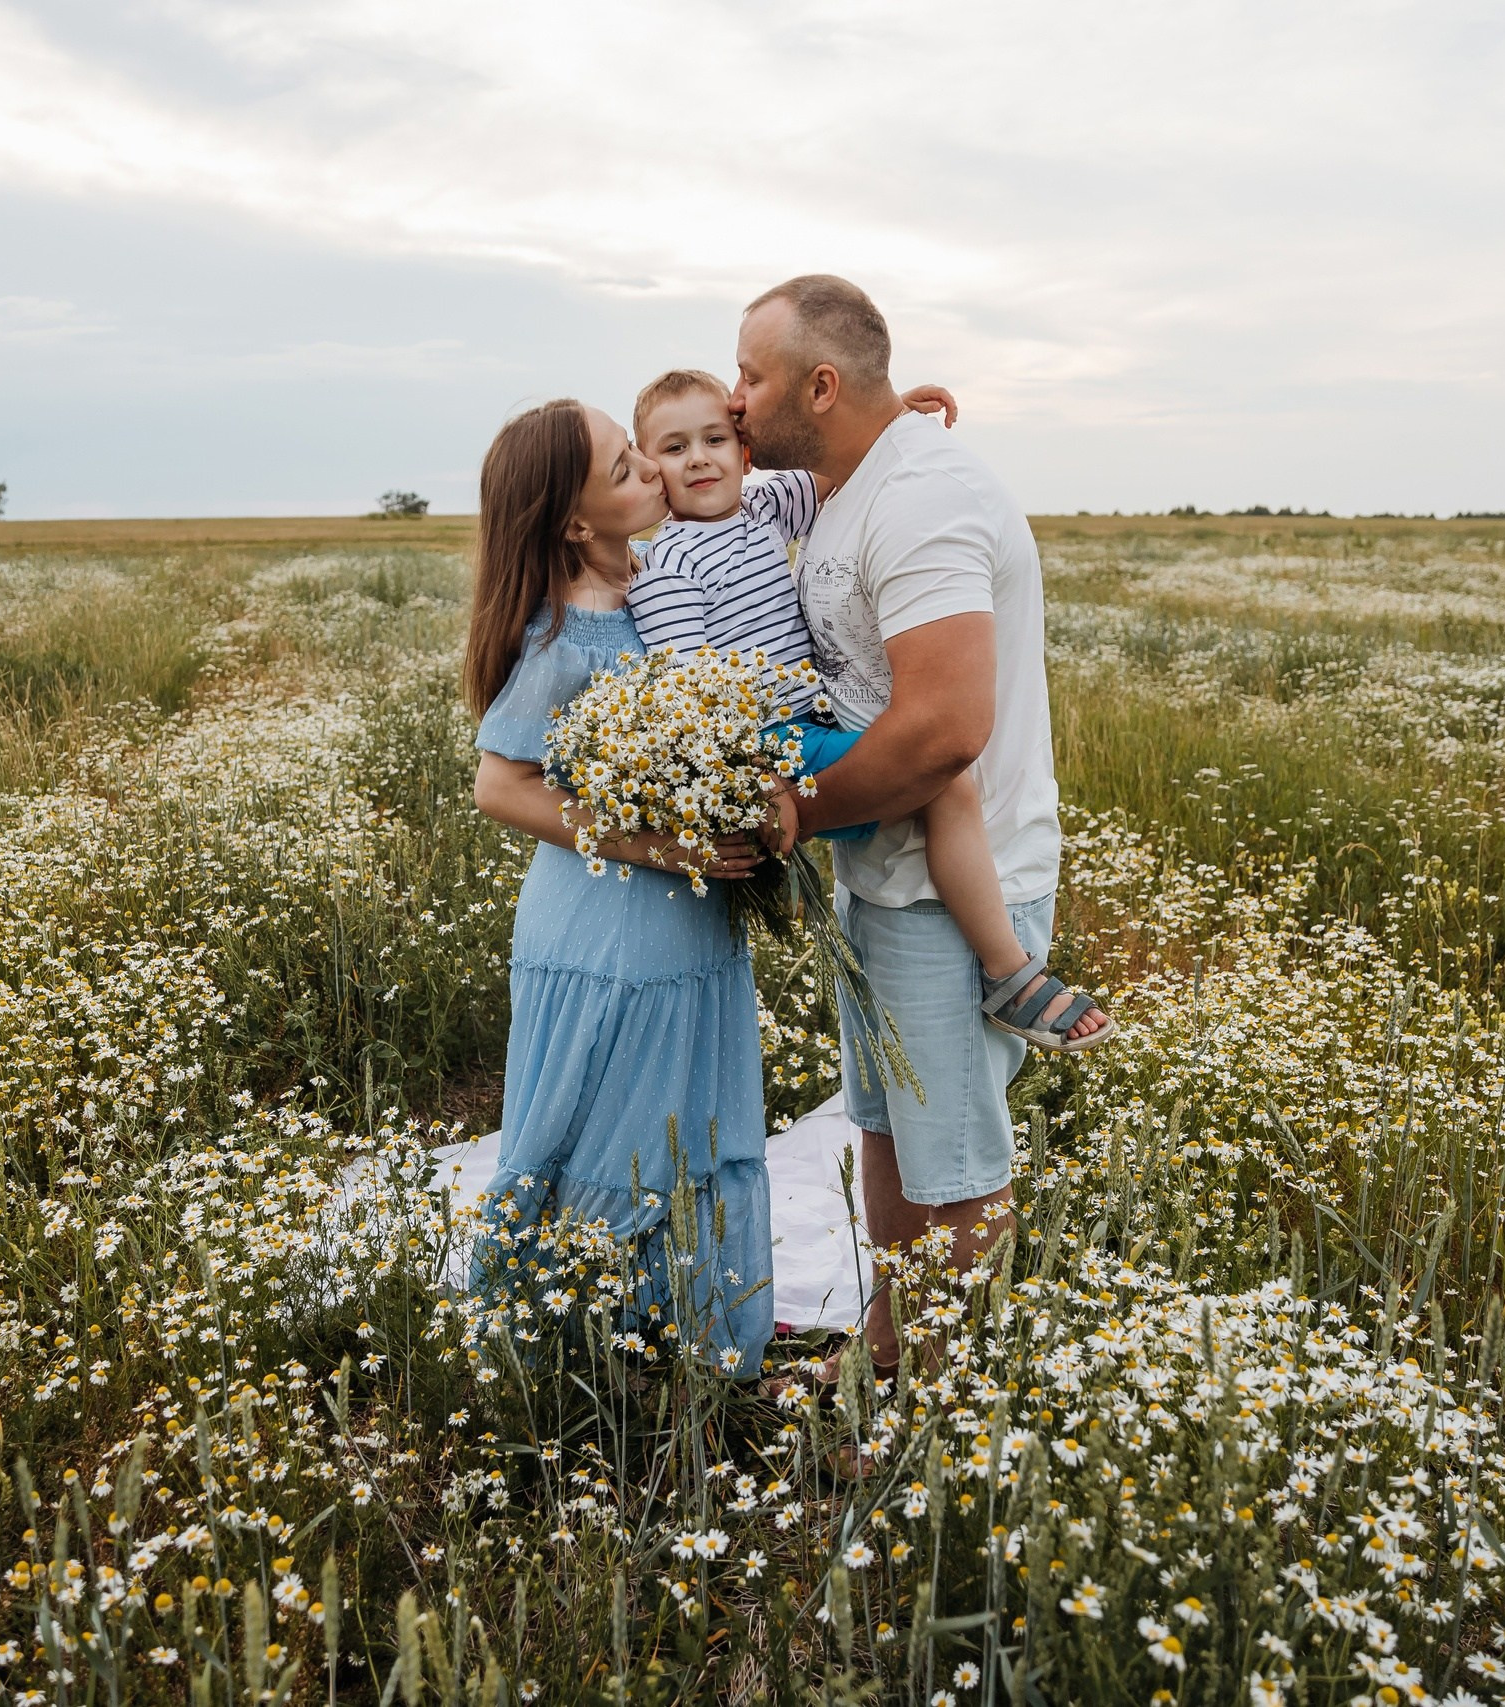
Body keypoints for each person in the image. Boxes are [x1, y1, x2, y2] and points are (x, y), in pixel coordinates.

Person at [730, 275, 1104, 1392]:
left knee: (957, 1170)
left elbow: (943, 729)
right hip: (885, 875)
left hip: (954, 888)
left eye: (752, 378)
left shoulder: (924, 495)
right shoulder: (848, 479)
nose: (738, 400)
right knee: (889, 1135)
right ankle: (884, 1363)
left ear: (823, 385)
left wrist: (790, 822)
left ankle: (927, 1424)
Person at [624, 369, 1107, 1055]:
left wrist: (896, 409)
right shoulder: (668, 565)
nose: (699, 458)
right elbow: (688, 694)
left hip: (813, 726)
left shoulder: (763, 506)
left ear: (745, 451)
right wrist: (758, 782)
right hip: (772, 743)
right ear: (650, 468)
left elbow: (840, 462)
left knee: (929, 775)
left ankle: (998, 963)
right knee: (943, 782)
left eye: (714, 439)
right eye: (674, 449)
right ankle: (1009, 972)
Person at [463, 397, 777, 1376]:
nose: (652, 468)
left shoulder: (660, 579)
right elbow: (499, 786)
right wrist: (661, 848)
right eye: (622, 465)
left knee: (696, 1131)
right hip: (606, 932)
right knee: (610, 1138)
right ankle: (564, 1372)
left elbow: (765, 494)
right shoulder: (560, 637)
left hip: (688, 926)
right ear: (572, 520)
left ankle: (691, 1365)